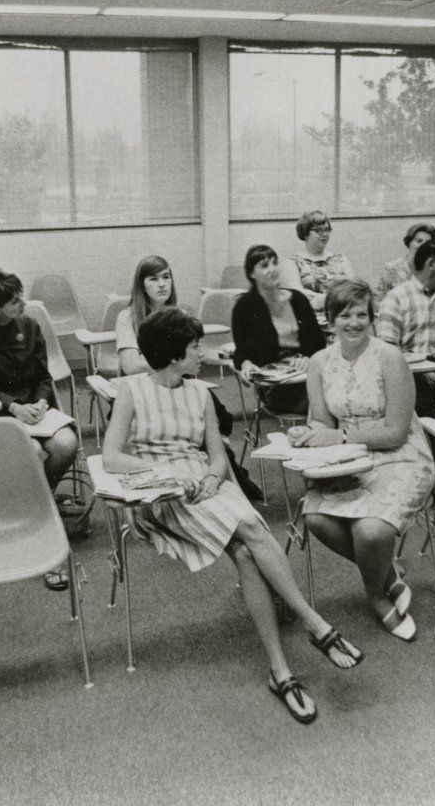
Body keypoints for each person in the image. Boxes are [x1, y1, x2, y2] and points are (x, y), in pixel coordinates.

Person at [102, 307, 364, 725]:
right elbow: (113, 457)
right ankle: (315, 624)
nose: (201, 354)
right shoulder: (132, 390)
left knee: (245, 553)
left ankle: (280, 671)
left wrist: (210, 475)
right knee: (248, 527)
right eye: (193, 347)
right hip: (162, 492)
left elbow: (218, 455)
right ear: (172, 355)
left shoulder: (201, 394)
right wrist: (166, 475)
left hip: (204, 483)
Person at [290, 279, 434, 641]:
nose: (353, 323)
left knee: (371, 530)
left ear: (372, 318)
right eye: (344, 315)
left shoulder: (390, 357)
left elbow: (396, 432)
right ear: (330, 320)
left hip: (401, 456)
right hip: (348, 460)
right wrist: (307, 434)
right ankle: (387, 574)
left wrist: (336, 435)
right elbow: (322, 421)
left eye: (360, 315)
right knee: (316, 517)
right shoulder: (319, 362)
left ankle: (375, 595)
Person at [0, 268, 79, 591]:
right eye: (14, 301)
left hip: (33, 409)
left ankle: (35, 507)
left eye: (20, 296)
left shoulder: (29, 325)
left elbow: (42, 376)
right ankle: (43, 533)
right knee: (36, 453)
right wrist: (13, 405)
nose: (22, 304)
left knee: (67, 444)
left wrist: (41, 401)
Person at [117, 255, 262, 501]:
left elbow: (194, 355)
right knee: (212, 434)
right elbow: (130, 366)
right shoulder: (128, 317)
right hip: (144, 394)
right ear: (142, 286)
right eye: (154, 279)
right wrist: (172, 360)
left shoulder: (179, 313)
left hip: (179, 388)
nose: (162, 284)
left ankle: (228, 486)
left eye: (166, 277)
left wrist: (227, 359)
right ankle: (233, 487)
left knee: (220, 424)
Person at [375, 237, 435, 417]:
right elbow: (388, 348)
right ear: (432, 264)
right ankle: (430, 443)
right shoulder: (397, 298)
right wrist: (423, 371)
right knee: (422, 401)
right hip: (412, 374)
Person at [231, 243, 326, 415]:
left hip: (308, 374)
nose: (273, 269)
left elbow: (318, 344)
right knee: (325, 403)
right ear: (252, 274)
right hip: (278, 386)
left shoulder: (298, 299)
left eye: (275, 262)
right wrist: (247, 364)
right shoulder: (244, 307)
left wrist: (308, 358)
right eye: (264, 265)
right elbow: (241, 353)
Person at [278, 209, 354, 312]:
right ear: (305, 233)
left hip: (342, 316)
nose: (325, 234)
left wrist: (319, 299)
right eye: (319, 230)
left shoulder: (341, 259)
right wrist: (340, 297)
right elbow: (299, 297)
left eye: (327, 229)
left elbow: (354, 291)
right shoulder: (292, 263)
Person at [373, 221, 435, 303]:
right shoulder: (392, 268)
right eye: (419, 241)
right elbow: (378, 298)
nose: (423, 246)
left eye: (427, 243)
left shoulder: (433, 269)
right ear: (409, 243)